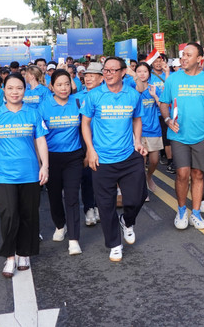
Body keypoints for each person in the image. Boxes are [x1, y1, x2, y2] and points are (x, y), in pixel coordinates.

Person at [0, 73, 49, 277]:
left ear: (25, 90)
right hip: (4, 175)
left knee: (29, 215)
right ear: (4, 90)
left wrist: (45, 166)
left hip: (29, 173)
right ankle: (10, 256)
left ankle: (24, 253)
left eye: (19, 88)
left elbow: (41, 141)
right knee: (9, 216)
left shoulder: (33, 113)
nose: (14, 92)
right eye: (10, 88)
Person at [81, 57, 147, 262]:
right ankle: (114, 244)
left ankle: (127, 221)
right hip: (102, 158)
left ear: (123, 72)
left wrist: (138, 141)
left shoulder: (133, 95)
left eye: (112, 70)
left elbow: (137, 118)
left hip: (129, 155)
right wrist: (90, 150)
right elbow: (85, 123)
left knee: (137, 197)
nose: (108, 74)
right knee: (105, 204)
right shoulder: (94, 96)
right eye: (105, 70)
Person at [160, 43, 204, 230]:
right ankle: (181, 211)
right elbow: (164, 104)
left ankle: (195, 213)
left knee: (198, 174)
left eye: (188, 55)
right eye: (182, 55)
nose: (183, 58)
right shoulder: (173, 80)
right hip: (178, 134)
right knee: (182, 174)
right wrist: (168, 119)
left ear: (199, 59)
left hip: (202, 134)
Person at [39, 69, 85, 256]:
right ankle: (60, 225)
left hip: (74, 156)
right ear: (51, 87)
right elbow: (38, 135)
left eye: (67, 84)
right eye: (59, 84)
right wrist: (42, 162)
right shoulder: (44, 106)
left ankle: (74, 239)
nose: (64, 88)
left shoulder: (78, 102)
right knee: (54, 196)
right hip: (51, 157)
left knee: (72, 197)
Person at [73, 62, 102, 227]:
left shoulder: (107, 94)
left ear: (101, 78)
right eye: (87, 75)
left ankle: (100, 206)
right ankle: (89, 208)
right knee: (87, 177)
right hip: (84, 141)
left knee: (102, 177)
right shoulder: (76, 97)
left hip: (104, 141)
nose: (88, 78)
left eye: (93, 75)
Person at [134, 62, 163, 194]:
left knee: (154, 161)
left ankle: (149, 176)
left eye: (144, 71)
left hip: (154, 129)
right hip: (138, 131)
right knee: (141, 162)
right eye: (139, 71)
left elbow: (163, 108)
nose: (142, 74)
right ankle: (143, 188)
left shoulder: (154, 89)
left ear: (149, 73)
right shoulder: (132, 89)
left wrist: (155, 96)